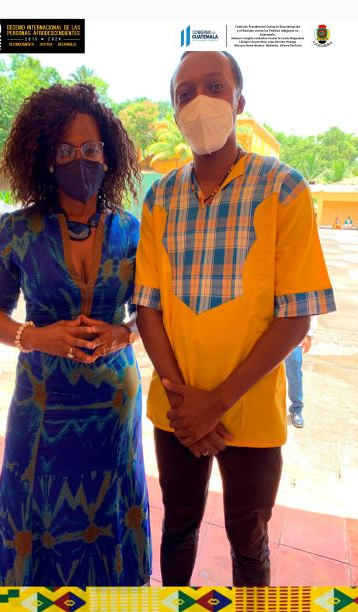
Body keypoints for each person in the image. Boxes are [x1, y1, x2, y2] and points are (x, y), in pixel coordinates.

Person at [133, 51, 336, 587]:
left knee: (248, 540)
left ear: (239, 101)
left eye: (215, 86)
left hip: (251, 409)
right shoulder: (159, 198)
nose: (200, 101)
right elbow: (148, 307)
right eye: (185, 94)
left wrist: (216, 403)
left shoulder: (282, 187)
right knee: (179, 525)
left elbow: (296, 316)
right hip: (176, 409)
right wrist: (186, 403)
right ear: (175, 112)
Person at [0, 83, 151, 586]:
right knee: (34, 510)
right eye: (66, 150)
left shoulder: (132, 231)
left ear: (108, 156)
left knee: (111, 509)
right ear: (46, 158)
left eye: (91, 149)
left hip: (112, 407)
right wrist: (33, 337)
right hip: (42, 405)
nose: (81, 160)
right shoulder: (17, 230)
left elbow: (148, 313)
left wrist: (123, 335)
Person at [285, 317, 317, 428]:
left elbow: (312, 312)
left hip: (295, 339)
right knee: (268, 377)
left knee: (295, 377)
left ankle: (296, 410)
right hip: (271, 338)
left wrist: (308, 335)